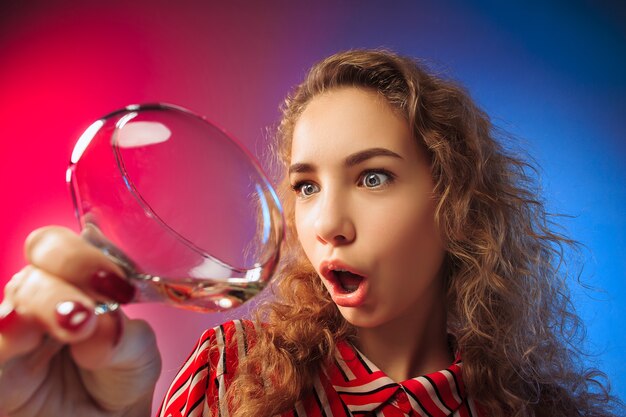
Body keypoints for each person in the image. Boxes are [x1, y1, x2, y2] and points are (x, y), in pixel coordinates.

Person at [0, 49, 621, 417]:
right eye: (306, 186)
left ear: (454, 199)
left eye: (373, 178)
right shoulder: (229, 372)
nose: (326, 225)